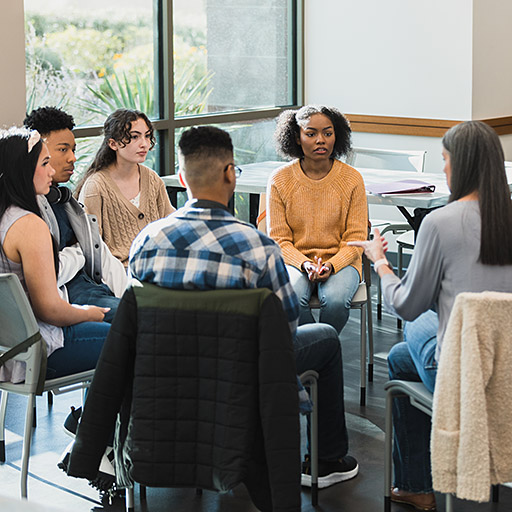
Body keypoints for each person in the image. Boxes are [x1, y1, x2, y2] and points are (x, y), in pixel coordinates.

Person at [127, 126, 359, 489]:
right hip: (240, 367)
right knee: (326, 337)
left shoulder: (147, 241)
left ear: (183, 178)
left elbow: (138, 316)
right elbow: (284, 329)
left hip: (167, 366)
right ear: (231, 174)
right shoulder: (256, 248)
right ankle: (328, 458)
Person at [349, 120, 512, 511]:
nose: (443, 170)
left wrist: (381, 263)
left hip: (464, 372)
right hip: (508, 364)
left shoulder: (440, 222)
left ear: (463, 164)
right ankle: (414, 484)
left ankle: (415, 485)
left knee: (419, 328)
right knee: (407, 355)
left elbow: (404, 305)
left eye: (445, 160)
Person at [0, 126, 110, 383]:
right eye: (45, 162)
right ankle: (99, 422)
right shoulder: (28, 225)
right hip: (40, 352)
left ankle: (91, 420)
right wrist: (88, 312)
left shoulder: (5, 218)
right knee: (132, 338)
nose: (52, 171)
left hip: (8, 350)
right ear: (23, 169)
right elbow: (49, 309)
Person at [267, 105, 368, 335]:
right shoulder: (279, 180)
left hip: (341, 261)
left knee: (334, 300)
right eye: (311, 134)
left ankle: (316, 354)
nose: (320, 140)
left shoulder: (352, 179)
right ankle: (316, 353)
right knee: (289, 298)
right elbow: (279, 240)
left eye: (328, 133)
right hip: (296, 262)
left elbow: (356, 238)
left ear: (337, 136)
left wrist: (331, 265)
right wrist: (305, 263)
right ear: (297, 137)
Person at [24, 106, 127, 325]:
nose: (73, 158)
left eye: (73, 149)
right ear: (38, 152)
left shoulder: (64, 200)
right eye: (63, 150)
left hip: (97, 287)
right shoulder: (27, 212)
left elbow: (101, 254)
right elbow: (47, 276)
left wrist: (129, 297)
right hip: (72, 300)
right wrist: (80, 251)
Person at [75, 108, 174, 267]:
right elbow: (90, 246)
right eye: (134, 137)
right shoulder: (96, 187)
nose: (144, 144)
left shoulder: (152, 179)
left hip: (159, 266)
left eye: (147, 136)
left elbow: (170, 223)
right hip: (119, 274)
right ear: (113, 144)